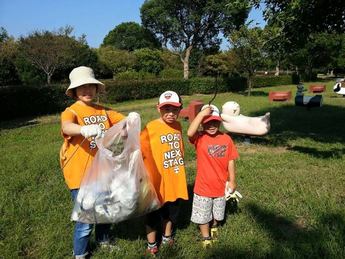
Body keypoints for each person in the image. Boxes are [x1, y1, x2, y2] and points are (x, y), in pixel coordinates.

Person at [60, 66, 125, 258]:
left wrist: (132, 120)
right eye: (82, 87)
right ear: (74, 91)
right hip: (80, 175)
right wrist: (83, 130)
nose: (87, 90)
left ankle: (103, 240)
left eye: (90, 86)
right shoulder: (71, 111)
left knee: (104, 210)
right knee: (86, 219)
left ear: (97, 89)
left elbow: (123, 121)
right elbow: (67, 126)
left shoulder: (104, 111)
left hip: (103, 172)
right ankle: (80, 253)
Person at [140, 90, 189, 255]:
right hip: (156, 182)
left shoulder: (178, 126)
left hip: (174, 180)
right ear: (158, 108)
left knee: (170, 213)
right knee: (152, 216)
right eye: (166, 109)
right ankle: (151, 244)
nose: (170, 113)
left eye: (174, 109)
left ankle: (167, 237)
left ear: (180, 109)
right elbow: (139, 150)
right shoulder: (150, 128)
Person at [187, 104, 239, 248]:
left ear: (219, 122)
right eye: (208, 122)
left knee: (217, 214)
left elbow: (231, 160)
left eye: (215, 122)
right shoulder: (199, 138)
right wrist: (201, 114)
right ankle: (206, 236)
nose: (211, 125)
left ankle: (214, 227)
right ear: (203, 123)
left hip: (220, 186)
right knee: (203, 215)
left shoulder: (226, 139)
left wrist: (232, 180)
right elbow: (190, 133)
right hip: (203, 187)